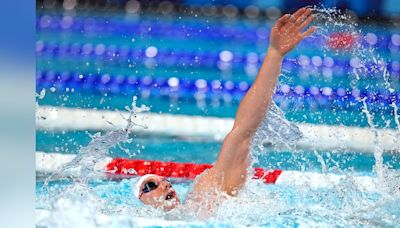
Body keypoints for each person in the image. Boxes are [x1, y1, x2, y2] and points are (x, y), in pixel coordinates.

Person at [133, 7, 316, 214]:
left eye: (164, 180)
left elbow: (242, 132)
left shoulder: (202, 201)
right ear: (139, 203)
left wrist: (274, 54)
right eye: (150, 186)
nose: (165, 185)